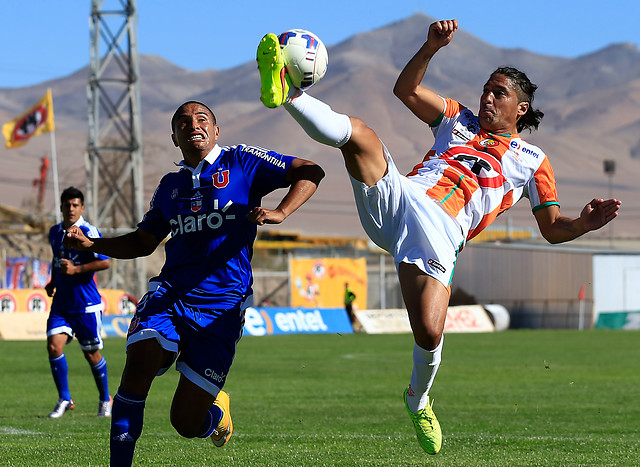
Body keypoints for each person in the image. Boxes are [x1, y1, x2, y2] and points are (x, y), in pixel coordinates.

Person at [256, 20, 621, 455]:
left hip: (442, 235)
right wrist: (429, 49)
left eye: (497, 93)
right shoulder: (456, 117)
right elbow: (405, 91)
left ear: (520, 108)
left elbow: (551, 228)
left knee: (429, 333)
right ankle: (287, 92)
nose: (486, 97)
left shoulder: (533, 162)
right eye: (486, 89)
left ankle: (418, 399)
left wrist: (583, 223)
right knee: (360, 136)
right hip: (403, 197)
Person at [63, 101, 324, 466]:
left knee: (185, 423)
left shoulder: (243, 161)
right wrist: (95, 244)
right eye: (183, 122)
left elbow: (310, 170)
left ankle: (215, 415)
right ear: (174, 137)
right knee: (140, 360)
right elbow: (143, 241)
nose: (193, 125)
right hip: (169, 294)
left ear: (216, 131)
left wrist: (281, 211)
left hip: (222, 304)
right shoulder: (170, 186)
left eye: (202, 119)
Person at [45, 186, 112, 418]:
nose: (71, 209)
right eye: (67, 205)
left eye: (75, 205)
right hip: (62, 304)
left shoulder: (88, 231)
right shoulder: (54, 232)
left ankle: (105, 399)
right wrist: (53, 281)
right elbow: (57, 260)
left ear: (82, 208)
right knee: (54, 347)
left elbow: (105, 262)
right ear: (61, 207)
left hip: (86, 305)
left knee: (91, 354)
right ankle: (64, 398)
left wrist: (77, 269)